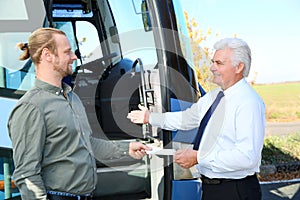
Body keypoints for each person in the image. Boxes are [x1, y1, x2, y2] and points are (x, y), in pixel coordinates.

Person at [8, 27, 151, 200]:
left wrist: (126, 148)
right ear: (47, 55)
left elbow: (87, 143)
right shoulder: (31, 107)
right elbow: (26, 174)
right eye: (67, 52)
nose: (74, 57)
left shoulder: (72, 97)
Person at [128, 38, 266, 200]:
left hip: (234, 190)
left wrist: (198, 157)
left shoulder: (248, 102)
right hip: (211, 189)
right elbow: (187, 119)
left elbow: (246, 157)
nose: (212, 68)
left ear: (239, 67)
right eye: (213, 62)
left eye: (219, 63)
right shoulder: (215, 96)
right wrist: (150, 117)